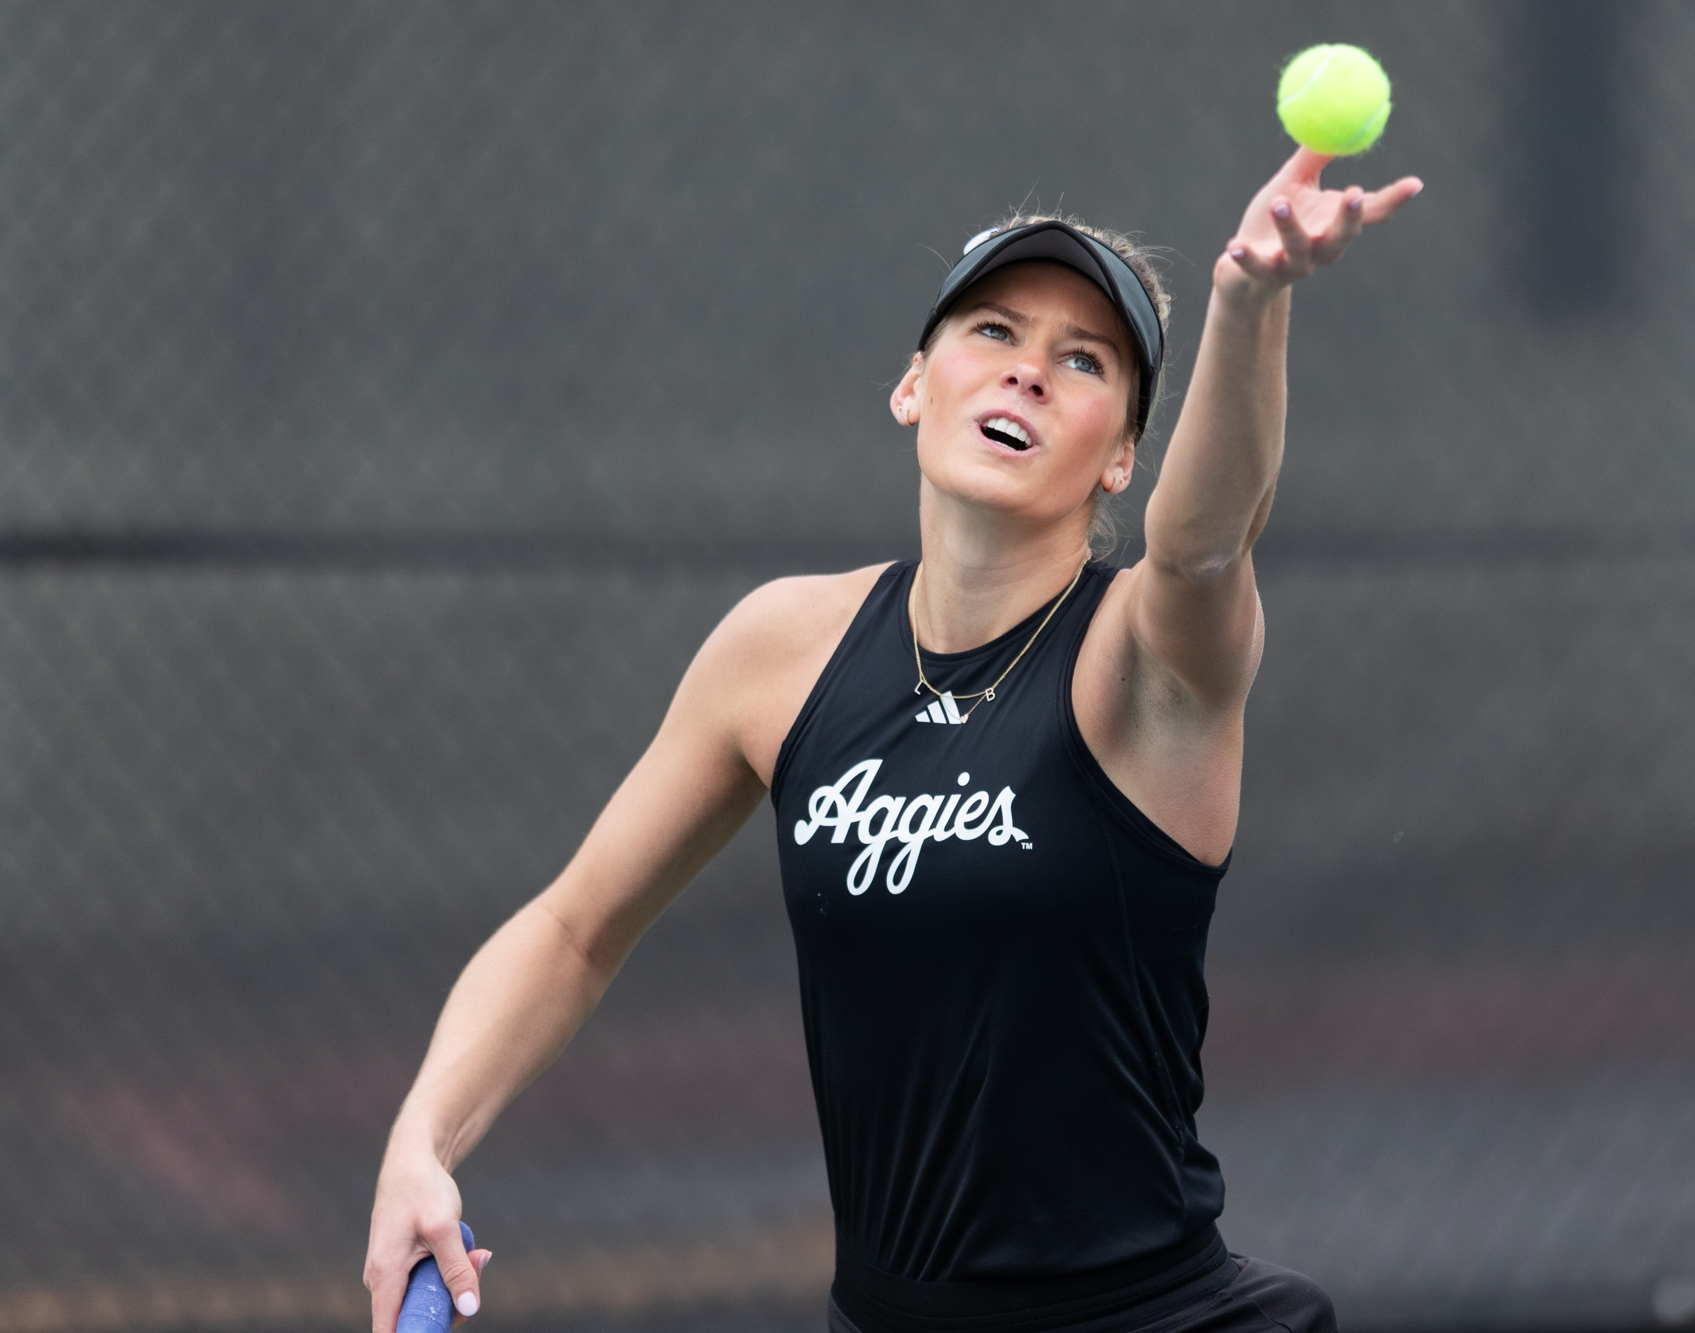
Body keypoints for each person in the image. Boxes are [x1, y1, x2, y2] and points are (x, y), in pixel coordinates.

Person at [363, 145, 1422, 1333]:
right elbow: (572, 926)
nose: (1026, 374)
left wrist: (1248, 301)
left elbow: (1204, 544)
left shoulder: (1143, 657)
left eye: (1082, 361)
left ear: (1122, 453)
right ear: (912, 384)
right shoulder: (782, 648)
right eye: (991, 332)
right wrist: (421, 1139)